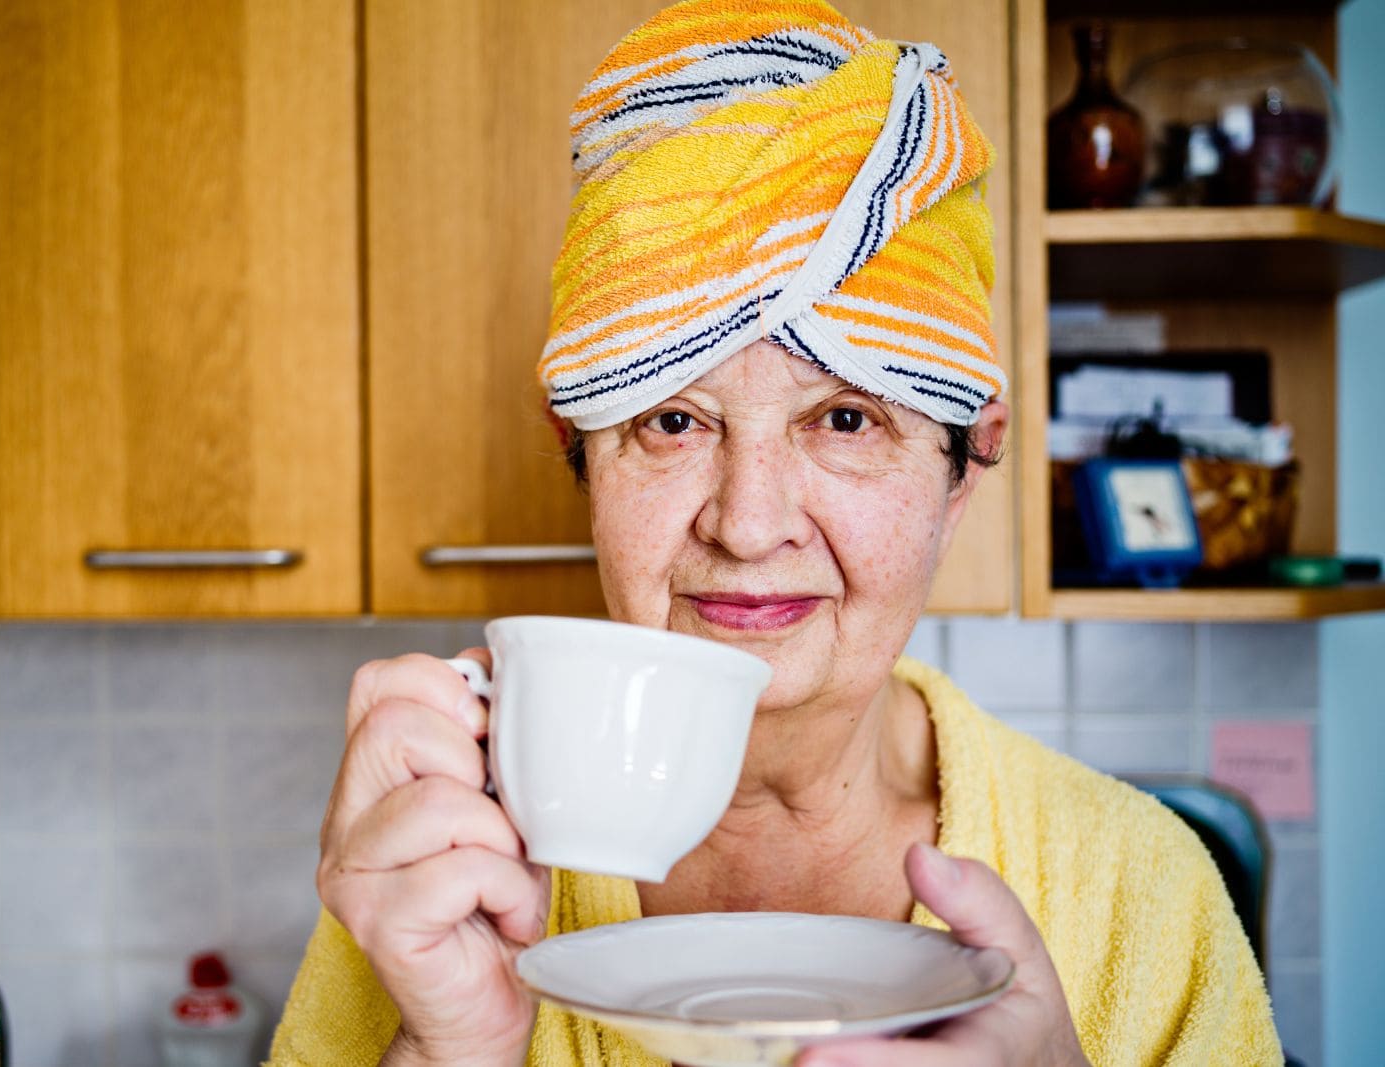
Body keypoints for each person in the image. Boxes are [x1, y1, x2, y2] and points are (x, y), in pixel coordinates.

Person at [269, 2, 1281, 1064]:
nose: (747, 526)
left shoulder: (1142, 891)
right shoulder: (433, 881)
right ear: (577, 454)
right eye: (670, 420)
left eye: (845, 419)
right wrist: (444, 1049)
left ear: (963, 467)